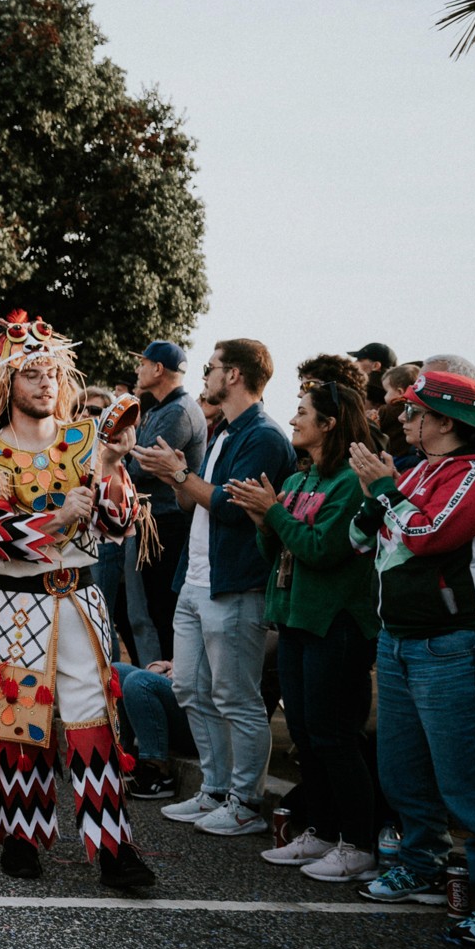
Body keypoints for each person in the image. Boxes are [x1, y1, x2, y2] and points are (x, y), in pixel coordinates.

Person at [0, 311, 155, 890]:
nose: (44, 383)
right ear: (7, 383)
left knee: (92, 725)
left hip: (79, 600)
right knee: (13, 722)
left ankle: (113, 848)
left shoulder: (87, 441)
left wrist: (109, 466)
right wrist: (56, 519)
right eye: (30, 373)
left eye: (51, 371)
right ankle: (19, 837)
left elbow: (119, 521)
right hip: (14, 602)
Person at [348, 366, 475, 949]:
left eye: (413, 412)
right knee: (403, 770)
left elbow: (428, 533)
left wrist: (384, 492)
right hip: (401, 638)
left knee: (473, 783)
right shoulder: (418, 470)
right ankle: (422, 861)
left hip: (459, 643)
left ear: (443, 421)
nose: (402, 420)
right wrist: (380, 498)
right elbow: (362, 539)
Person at [136, 338, 295, 839]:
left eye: (212, 368)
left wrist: (180, 474)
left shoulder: (264, 436)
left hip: (235, 583)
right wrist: (176, 476)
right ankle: (214, 787)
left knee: (235, 695)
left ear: (235, 376)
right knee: (189, 687)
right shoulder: (224, 431)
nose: (205, 374)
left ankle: (246, 801)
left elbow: (230, 506)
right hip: (196, 577)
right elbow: (192, 504)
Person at [230, 377, 379, 884]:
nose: (292, 419)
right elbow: (279, 556)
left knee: (335, 735)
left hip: (336, 623)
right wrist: (263, 521)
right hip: (292, 618)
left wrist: (272, 512)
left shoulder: (348, 484)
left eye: (302, 412)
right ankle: (320, 828)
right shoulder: (297, 481)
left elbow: (322, 551)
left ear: (329, 423)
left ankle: (359, 842)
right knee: (306, 736)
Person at [125, 341, 204, 665]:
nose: (138, 369)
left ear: (158, 368)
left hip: (166, 526)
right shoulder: (161, 408)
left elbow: (139, 468)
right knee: (144, 614)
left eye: (142, 363)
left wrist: (119, 457)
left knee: (159, 615)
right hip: (152, 522)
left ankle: (161, 690)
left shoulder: (178, 411)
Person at [110, 657, 183, 800]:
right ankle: (128, 765)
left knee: (137, 681)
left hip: (200, 702)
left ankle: (158, 773)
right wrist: (168, 664)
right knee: (116, 671)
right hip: (177, 675)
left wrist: (185, 671)